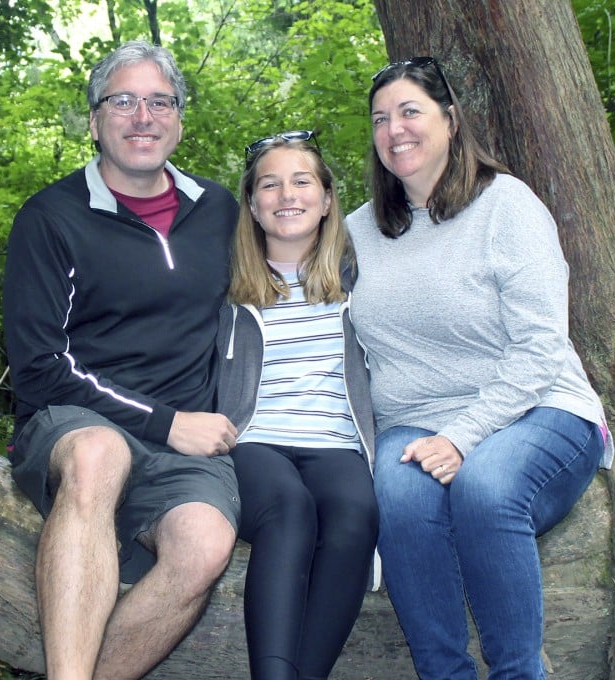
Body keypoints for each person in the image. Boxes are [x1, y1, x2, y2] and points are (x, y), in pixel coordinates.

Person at [345, 57, 615, 679]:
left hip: (539, 409)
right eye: (381, 119)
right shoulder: (358, 231)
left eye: (411, 111)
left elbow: (541, 347)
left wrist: (463, 437)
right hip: (412, 423)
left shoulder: (507, 206)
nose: (395, 130)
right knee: (398, 496)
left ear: (450, 119)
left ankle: (521, 672)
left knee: (485, 489)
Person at [2, 41, 241, 680]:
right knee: (98, 455)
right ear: (95, 119)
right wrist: (165, 422)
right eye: (124, 101)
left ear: (180, 121)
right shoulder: (51, 219)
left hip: (183, 446)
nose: (143, 117)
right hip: (75, 421)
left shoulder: (218, 211)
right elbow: (39, 364)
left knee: (205, 544)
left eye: (160, 102)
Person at [215, 131, 380, 680]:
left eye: (302, 181)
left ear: (329, 199)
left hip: (336, 440)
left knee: (355, 516)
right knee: (289, 512)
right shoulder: (225, 290)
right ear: (253, 204)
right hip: (255, 440)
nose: (287, 194)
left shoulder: (365, 280)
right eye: (270, 183)